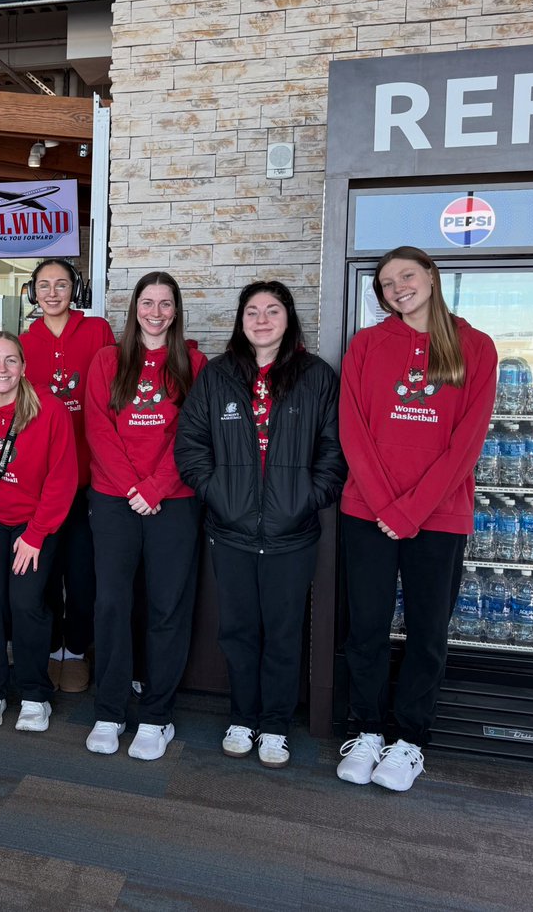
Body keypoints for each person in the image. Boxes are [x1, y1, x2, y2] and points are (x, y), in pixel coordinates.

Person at [335, 246, 496, 792]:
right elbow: (352, 432)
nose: (397, 288)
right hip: (368, 514)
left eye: (406, 276)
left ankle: (409, 741)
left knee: (427, 634)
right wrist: (387, 507)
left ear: (431, 275)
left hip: (440, 516)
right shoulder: (366, 344)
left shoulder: (475, 347)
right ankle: (367, 731)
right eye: (386, 283)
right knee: (367, 631)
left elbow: (466, 444)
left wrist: (410, 510)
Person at [176, 281, 346, 768]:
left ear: (288, 319)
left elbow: (334, 452)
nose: (262, 319)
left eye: (273, 310)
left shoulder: (316, 377)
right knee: (237, 630)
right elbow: (191, 444)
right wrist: (216, 493)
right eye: (253, 311)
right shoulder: (218, 376)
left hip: (292, 534)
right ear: (241, 320)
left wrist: (308, 499)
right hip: (231, 531)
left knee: (283, 631)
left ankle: (275, 724)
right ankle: (242, 717)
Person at [81, 272, 206, 760]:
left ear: (176, 311)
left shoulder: (194, 363)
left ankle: (156, 714)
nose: (156, 312)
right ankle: (110, 710)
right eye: (147, 303)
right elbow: (98, 428)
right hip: (114, 499)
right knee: (111, 604)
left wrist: (155, 487)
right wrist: (135, 488)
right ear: (134, 309)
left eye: (165, 304)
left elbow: (193, 435)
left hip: (173, 502)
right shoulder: (107, 360)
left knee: (167, 606)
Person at [0, 332, 76, 732]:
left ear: (24, 367)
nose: (2, 369)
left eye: (11, 361)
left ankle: (34, 693)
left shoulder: (50, 408)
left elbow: (62, 478)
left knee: (26, 602)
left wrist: (36, 534)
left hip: (34, 521)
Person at [20, 258, 115, 692]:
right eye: (44, 285)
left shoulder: (97, 331)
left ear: (73, 289)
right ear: (33, 292)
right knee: (44, 568)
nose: (52, 292)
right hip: (41, 480)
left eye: (61, 284)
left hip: (91, 475)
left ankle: (75, 648)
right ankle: (48, 643)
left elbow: (117, 399)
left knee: (81, 571)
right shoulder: (26, 340)